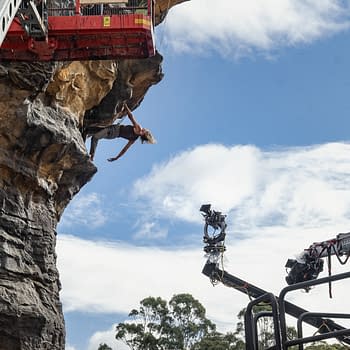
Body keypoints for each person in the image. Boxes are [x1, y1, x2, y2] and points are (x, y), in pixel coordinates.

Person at [89, 103, 156, 162]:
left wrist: (125, 105)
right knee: (93, 132)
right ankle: (91, 155)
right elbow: (125, 149)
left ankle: (92, 156)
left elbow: (131, 116)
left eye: (145, 131)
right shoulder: (133, 139)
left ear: (143, 134)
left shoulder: (139, 129)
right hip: (113, 135)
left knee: (95, 137)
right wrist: (117, 158)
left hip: (114, 130)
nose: (144, 129)